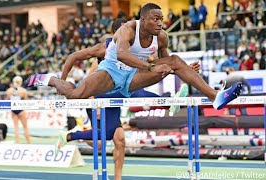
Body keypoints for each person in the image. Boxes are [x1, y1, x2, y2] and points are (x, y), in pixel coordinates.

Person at [25, 3, 242, 111]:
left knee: (175, 60)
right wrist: (151, 68)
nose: (160, 23)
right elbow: (122, 54)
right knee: (74, 95)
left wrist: (181, 69)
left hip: (133, 77)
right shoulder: (129, 29)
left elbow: (165, 60)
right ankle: (51, 80)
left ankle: (216, 97)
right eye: (155, 19)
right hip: (110, 72)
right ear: (143, 19)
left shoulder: (162, 37)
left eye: (161, 19)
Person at [56, 18, 197, 180]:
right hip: (100, 95)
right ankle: (169, 101)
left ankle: (69, 136)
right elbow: (90, 76)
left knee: (108, 135)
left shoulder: (136, 50)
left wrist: (182, 69)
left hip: (117, 92)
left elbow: (158, 67)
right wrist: (70, 85)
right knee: (133, 93)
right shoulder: (106, 48)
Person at [6, 76, 31, 144]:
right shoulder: (23, 91)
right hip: (21, 109)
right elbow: (25, 100)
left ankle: (18, 143)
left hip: (13, 109)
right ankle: (29, 143)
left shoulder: (9, 91)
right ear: (20, 82)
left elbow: (8, 99)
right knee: (25, 127)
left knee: (16, 127)